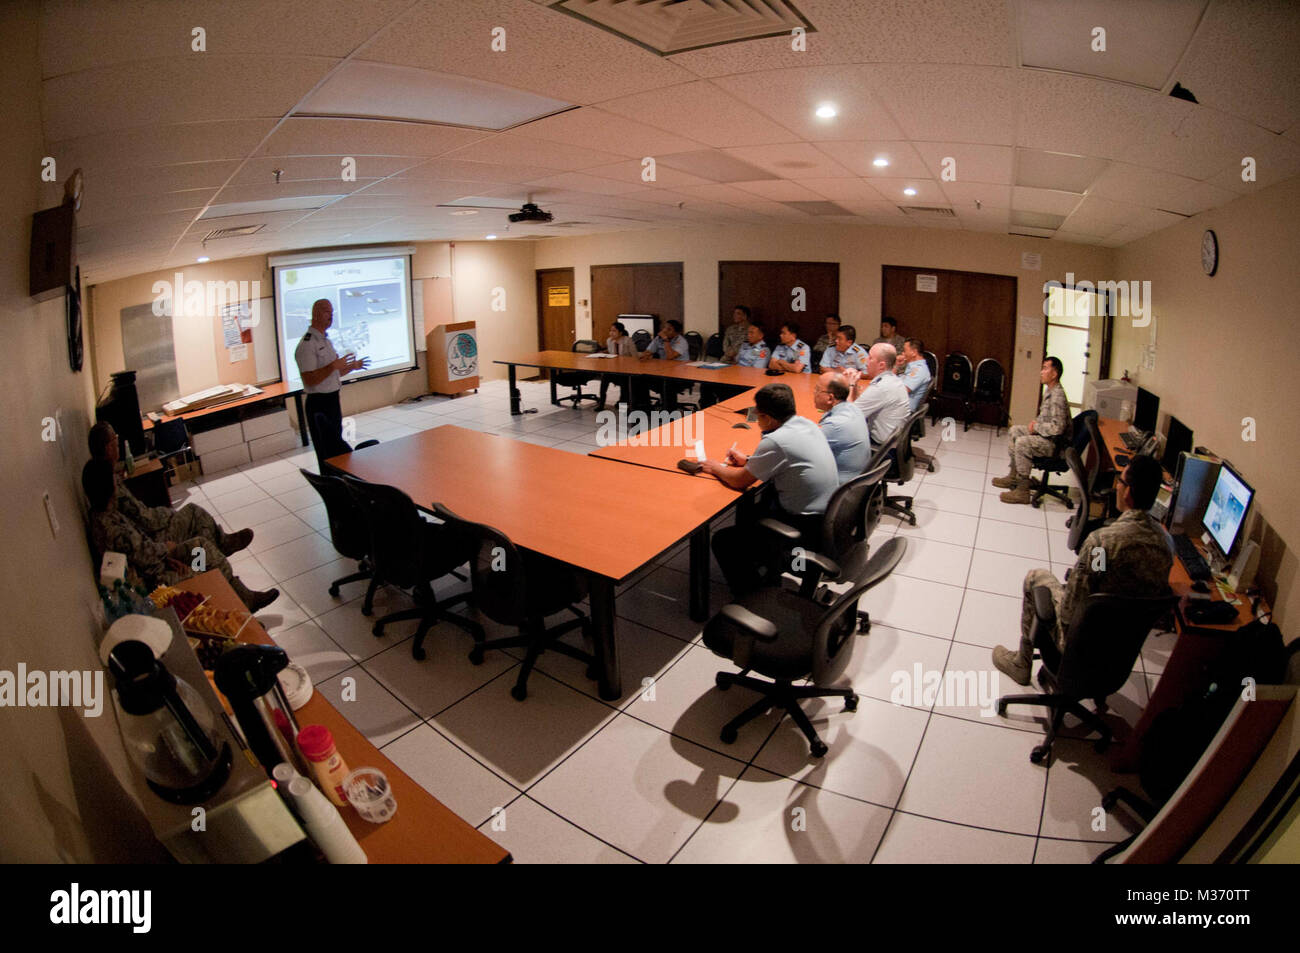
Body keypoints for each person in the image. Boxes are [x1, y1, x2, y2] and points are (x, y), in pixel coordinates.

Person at [992, 455, 1173, 686]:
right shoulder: (1166, 544)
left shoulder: (1102, 544)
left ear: (1127, 493)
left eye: (1121, 481)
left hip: (1080, 641)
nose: (1117, 486)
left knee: (1036, 577)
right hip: (1121, 649)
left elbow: (1070, 610)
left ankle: (1021, 663)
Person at [83, 460, 279, 612]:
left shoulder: (105, 514)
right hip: (154, 580)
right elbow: (143, 556)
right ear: (109, 487)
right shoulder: (110, 527)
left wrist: (166, 556)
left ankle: (241, 597)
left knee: (200, 548)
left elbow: (140, 552)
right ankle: (238, 605)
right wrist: (166, 552)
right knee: (204, 560)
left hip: (157, 564)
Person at [703, 383, 840, 595]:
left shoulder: (776, 440)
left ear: (767, 417)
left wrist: (714, 468)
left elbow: (739, 481)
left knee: (723, 540)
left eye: (758, 414)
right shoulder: (807, 424)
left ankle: (753, 598)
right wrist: (750, 460)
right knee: (755, 507)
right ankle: (765, 568)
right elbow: (787, 459)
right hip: (827, 519)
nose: (756, 419)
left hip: (803, 528)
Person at [88, 422, 253, 557]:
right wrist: (168, 516)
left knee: (197, 531)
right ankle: (213, 558)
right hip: (154, 540)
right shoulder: (109, 483)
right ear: (108, 448)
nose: (118, 445)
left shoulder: (103, 478)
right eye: (115, 441)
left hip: (149, 541)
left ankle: (214, 558)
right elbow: (145, 519)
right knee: (195, 518)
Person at [295, 298, 370, 467]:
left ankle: (342, 480)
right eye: (326, 311)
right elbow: (310, 379)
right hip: (318, 403)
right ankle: (331, 484)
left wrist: (352, 366)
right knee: (326, 451)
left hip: (332, 400)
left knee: (336, 446)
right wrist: (333, 365)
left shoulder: (326, 341)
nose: (331, 316)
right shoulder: (307, 345)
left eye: (332, 312)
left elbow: (334, 372)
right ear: (315, 314)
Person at [992, 356, 1071, 504]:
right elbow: (1048, 419)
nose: (1041, 372)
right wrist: (1037, 423)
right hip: (1047, 437)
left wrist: (1037, 427)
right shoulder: (1050, 391)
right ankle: (1014, 476)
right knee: (1015, 430)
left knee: (1022, 443)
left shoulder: (1057, 396)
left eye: (1045, 368)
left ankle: (1022, 491)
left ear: (1054, 374)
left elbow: (1058, 428)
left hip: (1055, 445)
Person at [814, 372, 870, 483]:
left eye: (817, 390)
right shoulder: (853, 409)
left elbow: (802, 451)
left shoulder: (834, 425)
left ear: (830, 398)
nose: (814, 393)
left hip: (839, 489)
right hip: (857, 483)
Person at [853, 343, 911, 448]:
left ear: (881, 365)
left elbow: (850, 415)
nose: (866, 361)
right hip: (894, 444)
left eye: (870, 358)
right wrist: (855, 384)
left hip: (881, 448)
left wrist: (851, 384)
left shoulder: (881, 388)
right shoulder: (892, 379)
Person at [637, 319, 690, 408]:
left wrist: (665, 340)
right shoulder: (658, 339)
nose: (665, 331)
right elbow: (648, 351)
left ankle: (669, 413)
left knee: (668, 383)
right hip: (663, 371)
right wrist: (646, 355)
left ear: (676, 333)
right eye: (665, 328)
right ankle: (644, 407)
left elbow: (670, 357)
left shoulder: (681, 341)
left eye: (669, 329)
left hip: (680, 374)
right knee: (639, 379)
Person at [598, 322, 637, 409]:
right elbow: (611, 353)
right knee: (604, 378)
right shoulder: (609, 340)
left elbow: (635, 357)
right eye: (610, 331)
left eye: (614, 331)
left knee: (624, 381)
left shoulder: (628, 340)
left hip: (626, 369)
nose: (611, 333)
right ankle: (601, 403)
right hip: (613, 368)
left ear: (620, 332)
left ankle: (623, 402)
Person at [896, 337, 932, 413]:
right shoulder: (912, 367)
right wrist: (896, 365)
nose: (903, 353)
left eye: (904, 351)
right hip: (899, 404)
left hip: (903, 409)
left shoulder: (919, 370)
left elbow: (902, 390)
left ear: (914, 352)